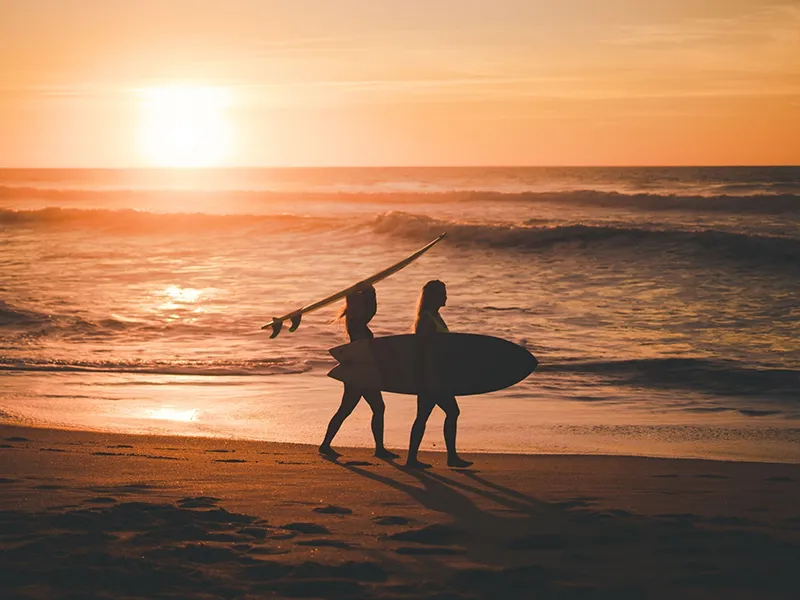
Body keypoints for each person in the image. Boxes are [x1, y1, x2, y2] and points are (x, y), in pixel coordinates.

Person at [320, 285, 399, 459]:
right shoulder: (356, 322)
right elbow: (371, 311)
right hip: (359, 375)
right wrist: (371, 292)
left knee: (364, 408)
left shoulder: (355, 320)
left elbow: (370, 311)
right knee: (360, 408)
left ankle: (327, 445)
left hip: (360, 373)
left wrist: (370, 292)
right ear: (357, 305)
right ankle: (327, 445)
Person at [405, 280, 473, 469]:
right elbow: (423, 352)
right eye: (442, 293)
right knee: (451, 412)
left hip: (436, 377)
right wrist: (430, 378)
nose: (445, 297)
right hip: (431, 377)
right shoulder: (427, 320)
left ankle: (414, 459)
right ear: (433, 296)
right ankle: (449, 458)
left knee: (424, 416)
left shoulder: (435, 316)